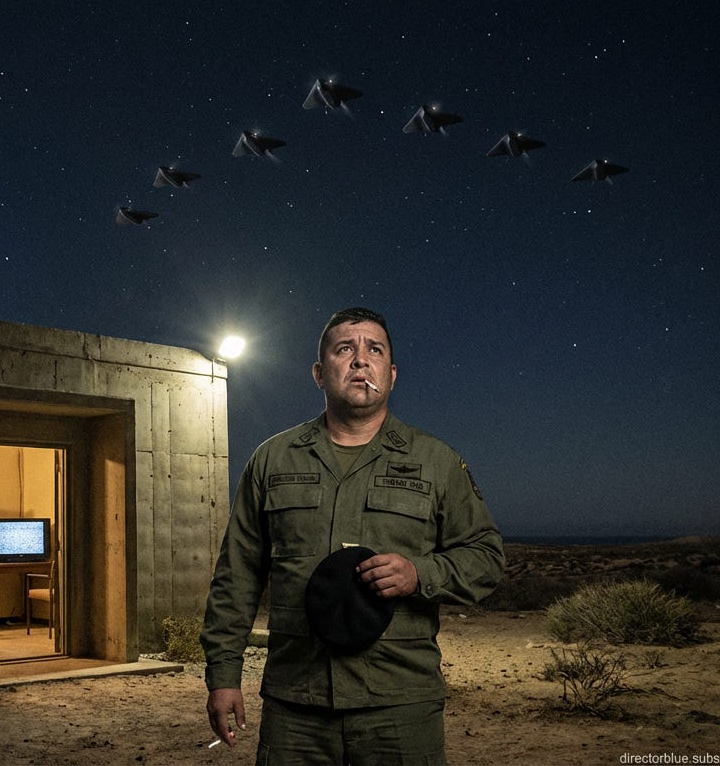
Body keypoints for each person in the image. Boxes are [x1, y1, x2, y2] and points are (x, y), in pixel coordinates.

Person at [200, 307, 504, 765]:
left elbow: (486, 559)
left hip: (399, 703)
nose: (360, 360)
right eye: (345, 349)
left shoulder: (436, 462)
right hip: (296, 704)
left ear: (392, 373)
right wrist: (223, 676)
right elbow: (236, 576)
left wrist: (418, 573)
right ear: (320, 374)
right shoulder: (273, 461)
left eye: (374, 350)